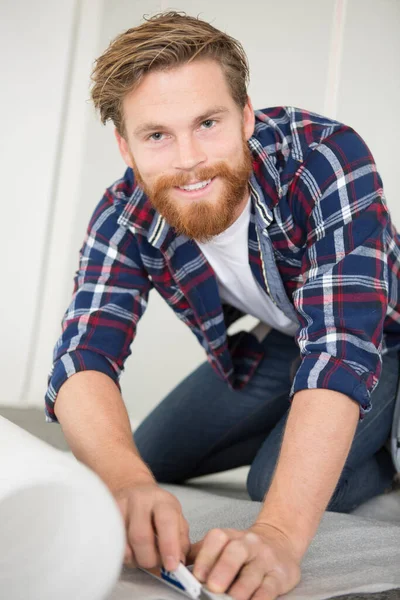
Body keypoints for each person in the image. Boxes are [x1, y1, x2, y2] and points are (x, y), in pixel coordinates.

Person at [45, 10, 400, 600]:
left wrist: (280, 535)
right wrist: (128, 482)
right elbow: (81, 358)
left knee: (272, 485)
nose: (188, 159)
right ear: (125, 146)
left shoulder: (326, 157)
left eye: (207, 123)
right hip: (282, 340)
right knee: (142, 460)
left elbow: (340, 348)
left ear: (246, 116)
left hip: (380, 339)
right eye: (156, 134)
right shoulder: (122, 214)